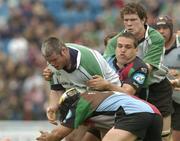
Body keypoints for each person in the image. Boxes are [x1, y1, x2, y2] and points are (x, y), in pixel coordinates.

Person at [103, 2, 173, 141]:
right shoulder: (115, 42)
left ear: (143, 20)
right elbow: (106, 67)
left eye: (133, 20)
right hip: (131, 90)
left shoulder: (155, 38)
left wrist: (122, 69)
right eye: (126, 20)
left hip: (156, 88)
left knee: (163, 136)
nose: (129, 24)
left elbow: (146, 68)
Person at [41, 36, 121, 141]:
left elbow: (98, 94)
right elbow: (56, 89)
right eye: (49, 61)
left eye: (54, 60)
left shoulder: (88, 62)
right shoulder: (52, 62)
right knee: (70, 138)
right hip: (81, 98)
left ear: (64, 51)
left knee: (73, 137)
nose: (52, 64)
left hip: (108, 98)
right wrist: (52, 107)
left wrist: (56, 135)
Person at [36, 88, 163, 141]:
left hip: (134, 114)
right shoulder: (97, 102)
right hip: (155, 113)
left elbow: (58, 134)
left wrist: (49, 137)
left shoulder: (81, 103)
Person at [87, 32, 148, 96]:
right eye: (120, 46)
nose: (123, 50)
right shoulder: (106, 61)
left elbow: (128, 93)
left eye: (128, 47)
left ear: (136, 49)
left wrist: (107, 85)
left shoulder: (140, 67)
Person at [155, 15, 180, 141]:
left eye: (165, 28)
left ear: (171, 29)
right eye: (158, 28)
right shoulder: (153, 46)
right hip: (162, 98)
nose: (161, 31)